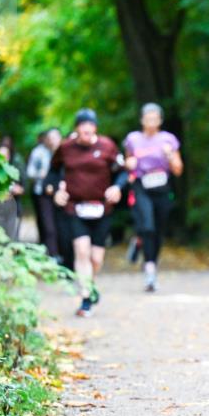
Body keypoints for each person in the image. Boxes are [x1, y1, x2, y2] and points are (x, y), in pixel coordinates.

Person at [50, 108, 129, 317]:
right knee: (82, 251)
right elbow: (53, 171)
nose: (86, 129)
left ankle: (90, 285)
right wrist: (57, 189)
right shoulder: (66, 148)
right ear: (77, 128)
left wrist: (117, 188)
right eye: (82, 125)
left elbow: (123, 172)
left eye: (90, 125)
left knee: (96, 259)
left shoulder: (107, 146)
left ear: (95, 128)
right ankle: (85, 298)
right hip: (75, 207)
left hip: (102, 209)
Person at [123, 103, 183, 292]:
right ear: (142, 120)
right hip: (141, 186)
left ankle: (149, 258)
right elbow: (127, 165)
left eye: (155, 118)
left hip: (162, 187)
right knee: (148, 226)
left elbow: (178, 170)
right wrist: (129, 164)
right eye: (148, 118)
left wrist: (170, 155)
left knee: (158, 230)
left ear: (160, 120)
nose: (151, 122)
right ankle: (149, 269)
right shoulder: (133, 139)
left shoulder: (168, 139)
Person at [26, 127, 63, 260]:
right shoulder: (38, 152)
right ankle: (52, 254)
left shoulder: (66, 151)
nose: (53, 141)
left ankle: (62, 254)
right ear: (46, 140)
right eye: (50, 138)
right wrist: (40, 175)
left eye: (55, 138)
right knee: (47, 225)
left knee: (60, 224)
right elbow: (29, 172)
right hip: (42, 193)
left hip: (61, 192)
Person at [0, 135, 25, 241]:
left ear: (9, 157)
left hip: (13, 209)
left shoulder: (15, 171)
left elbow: (23, 188)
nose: (3, 158)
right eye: (0, 156)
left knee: (12, 239)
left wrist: (14, 190)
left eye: (5, 155)